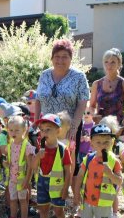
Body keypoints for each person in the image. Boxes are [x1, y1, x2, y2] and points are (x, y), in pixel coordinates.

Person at [34, 39, 90, 176]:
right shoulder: (44, 75)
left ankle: (65, 193)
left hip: (68, 127)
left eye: (65, 56)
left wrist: (74, 127)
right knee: (47, 160)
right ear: (52, 58)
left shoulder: (79, 77)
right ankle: (47, 190)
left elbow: (83, 102)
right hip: (47, 126)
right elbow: (38, 100)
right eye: (57, 56)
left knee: (67, 161)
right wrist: (36, 123)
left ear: (71, 58)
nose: (60, 60)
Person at [66, 124, 123, 218]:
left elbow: (119, 181)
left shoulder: (114, 161)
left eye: (106, 142)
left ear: (112, 142)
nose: (103, 145)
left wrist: (110, 174)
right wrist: (76, 195)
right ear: (92, 143)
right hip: (88, 198)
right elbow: (79, 177)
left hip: (104, 201)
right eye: (98, 142)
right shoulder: (89, 158)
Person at [29, 114, 71, 218]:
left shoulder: (63, 149)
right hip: (42, 182)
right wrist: (37, 157)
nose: (44, 132)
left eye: (48, 129)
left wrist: (66, 188)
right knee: (43, 208)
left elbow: (68, 171)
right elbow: (33, 167)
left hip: (57, 184)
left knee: (58, 209)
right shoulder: (40, 147)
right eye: (42, 130)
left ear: (58, 131)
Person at [90, 48, 124, 134]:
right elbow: (92, 106)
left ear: (119, 64)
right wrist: (95, 114)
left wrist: (122, 126)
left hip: (119, 130)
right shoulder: (96, 84)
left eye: (113, 62)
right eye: (106, 62)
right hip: (101, 129)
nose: (109, 65)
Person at [3, 116, 35, 218]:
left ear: (24, 130)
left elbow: (30, 166)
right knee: (12, 199)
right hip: (12, 179)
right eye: (11, 130)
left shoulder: (27, 146)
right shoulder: (10, 144)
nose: (13, 133)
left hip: (22, 179)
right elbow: (11, 160)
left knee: (23, 200)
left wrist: (27, 181)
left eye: (17, 130)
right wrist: (6, 163)